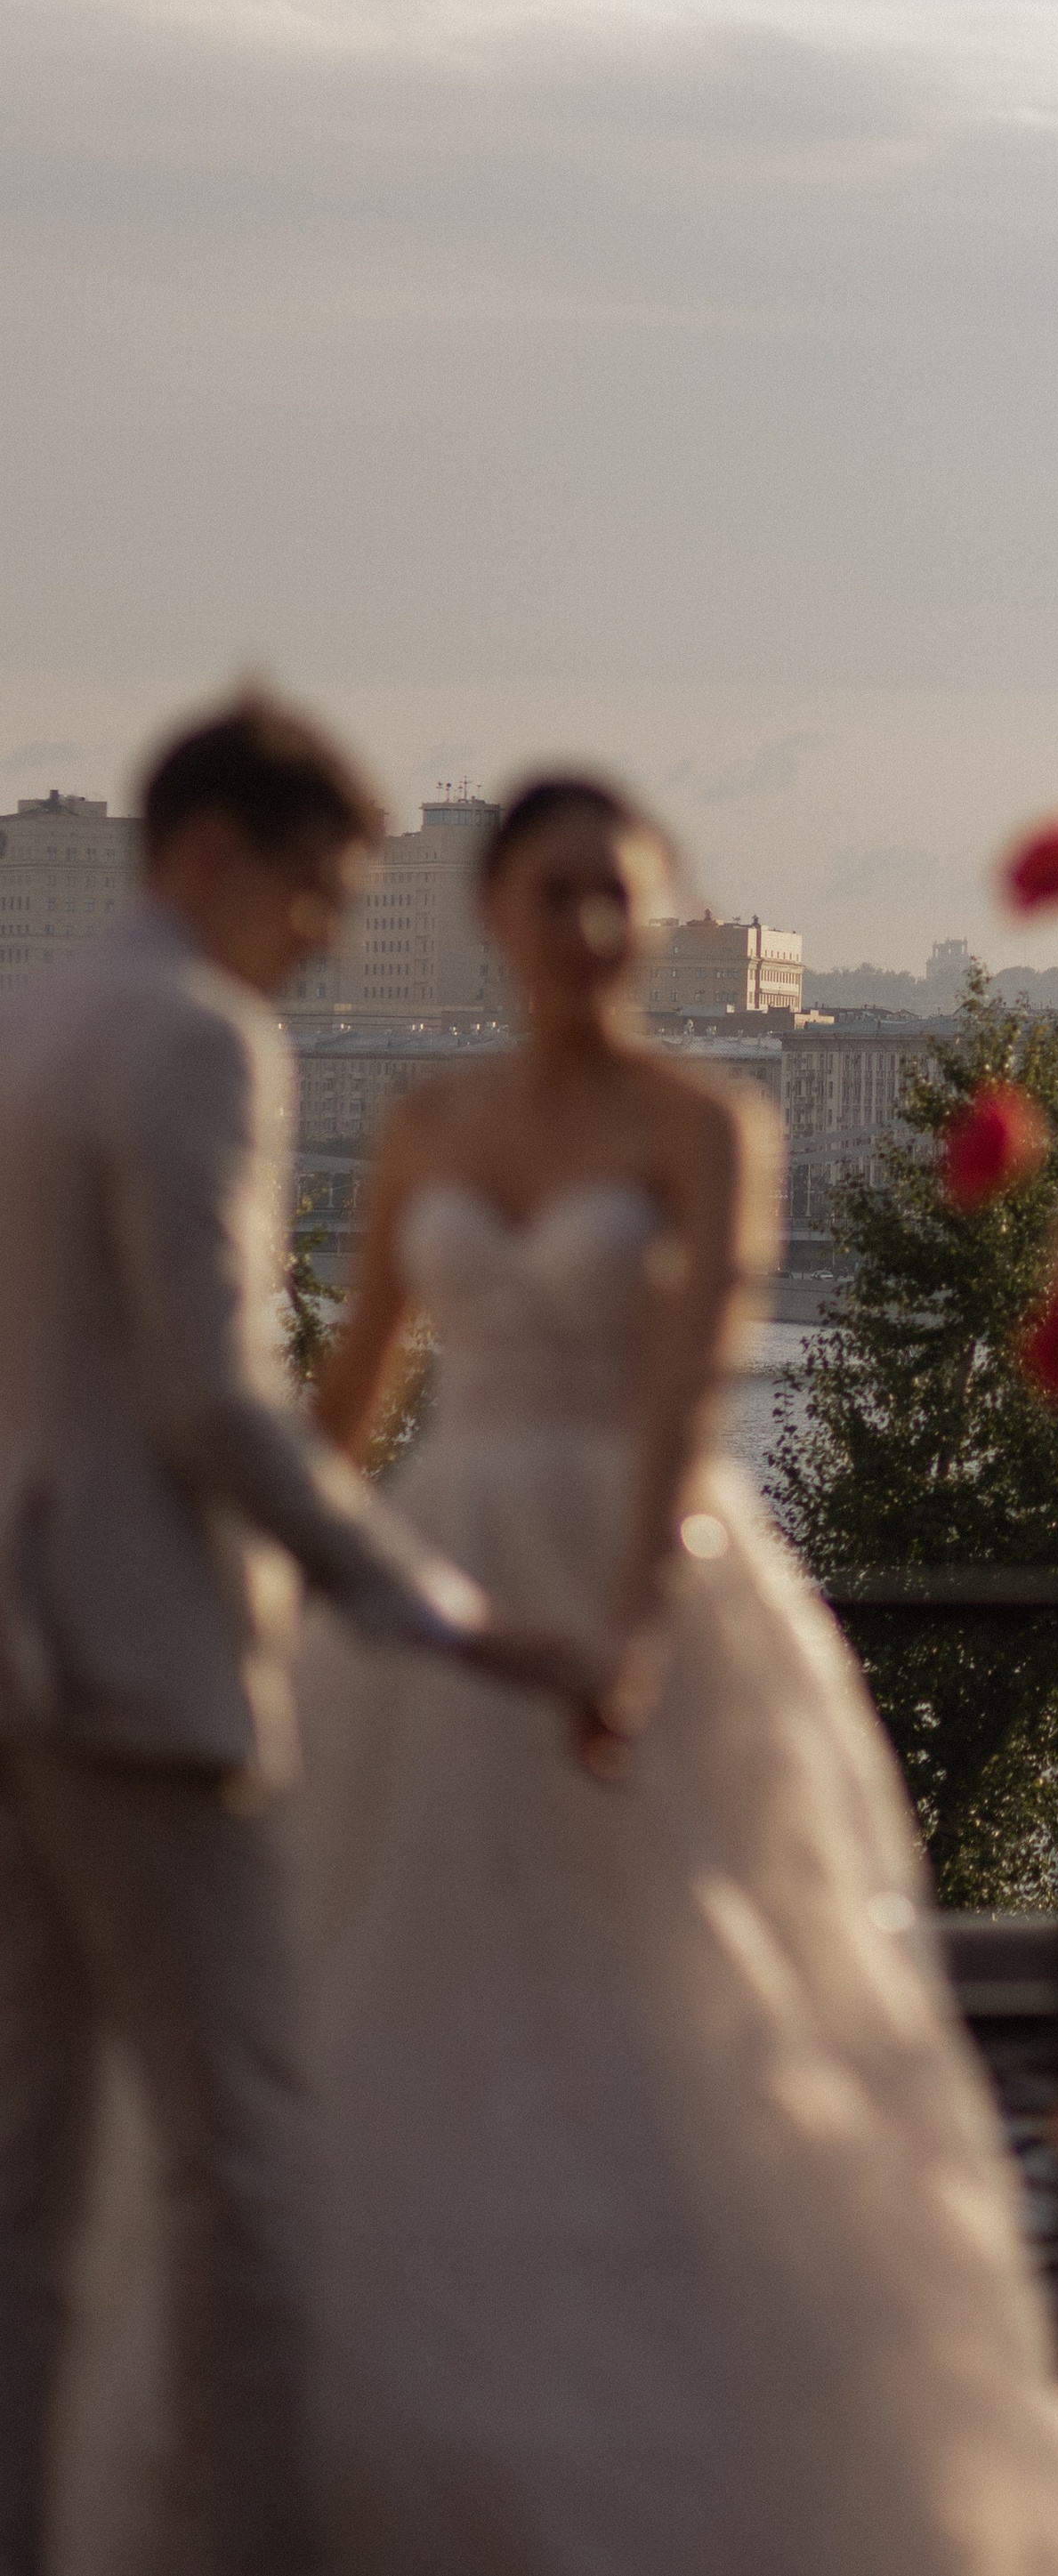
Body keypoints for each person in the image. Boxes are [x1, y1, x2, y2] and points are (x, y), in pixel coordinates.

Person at [72, 771, 1058, 2574]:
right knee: (384, 1984)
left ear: (652, 925)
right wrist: (259, 1571)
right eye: (553, 891)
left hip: (634, 1564)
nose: (585, 926)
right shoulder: (421, 1120)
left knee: (683, 1996)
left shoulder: (703, 1124)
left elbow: (685, 1393)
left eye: (616, 897)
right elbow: (359, 1390)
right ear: (492, 910)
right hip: (434, 1578)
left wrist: (640, 1615)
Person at [0, 699, 599, 2576]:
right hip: (143, 1670)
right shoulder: (201, 1039)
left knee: (26, 2188)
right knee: (248, 2176)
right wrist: (439, 1610)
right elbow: (217, 1406)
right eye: (325, 890)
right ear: (212, 854)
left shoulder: (34, 1017)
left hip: (18, 1650)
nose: (334, 935)